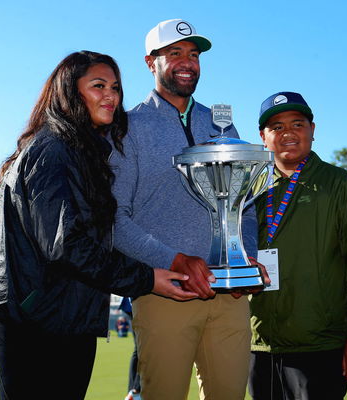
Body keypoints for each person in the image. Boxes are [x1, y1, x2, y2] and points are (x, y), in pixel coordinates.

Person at [0, 51, 196, 400]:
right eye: (98, 86)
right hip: (29, 319)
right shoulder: (53, 150)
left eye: (116, 87)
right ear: (69, 91)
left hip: (68, 315)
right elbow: (66, 246)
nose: (111, 95)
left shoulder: (86, 152)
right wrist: (147, 278)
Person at [110, 19, 264, 400]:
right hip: (167, 294)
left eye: (193, 54)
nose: (187, 62)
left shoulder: (221, 124)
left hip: (229, 296)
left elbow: (243, 205)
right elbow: (114, 218)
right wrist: (174, 259)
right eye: (174, 52)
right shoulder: (127, 127)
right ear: (151, 62)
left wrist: (247, 256)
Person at [248, 91, 347, 399]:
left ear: (312, 129)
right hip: (258, 342)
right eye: (276, 127)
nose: (288, 133)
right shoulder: (247, 185)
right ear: (263, 137)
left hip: (320, 345)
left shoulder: (339, 184)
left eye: (297, 124)